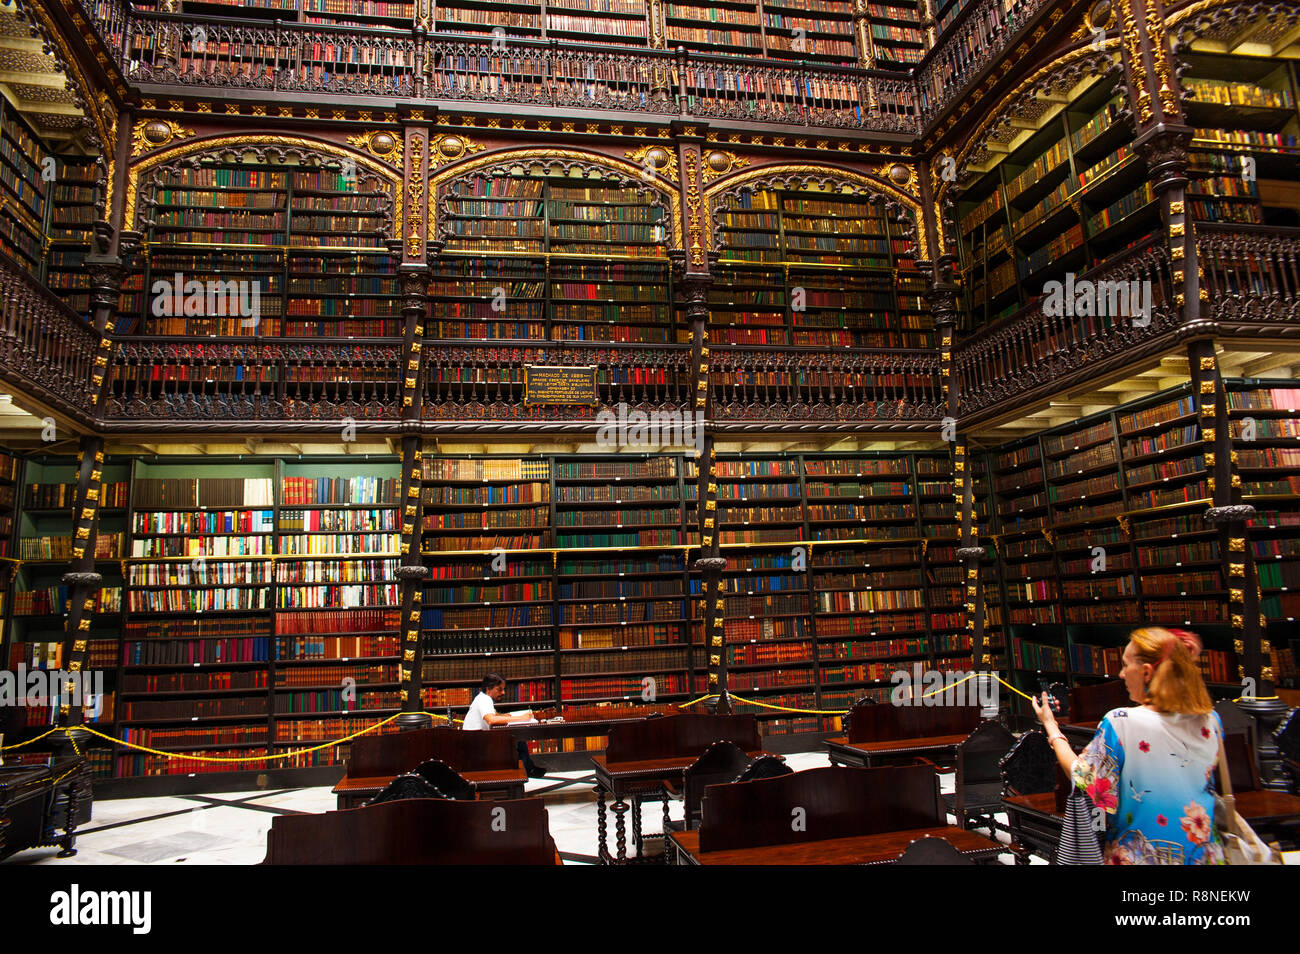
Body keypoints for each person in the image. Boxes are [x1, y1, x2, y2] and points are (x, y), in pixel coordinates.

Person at [1032, 626, 1226, 865]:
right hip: (1203, 856)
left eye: (1125, 665)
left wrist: (1051, 728)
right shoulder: (1211, 721)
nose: (1122, 674)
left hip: (1141, 856)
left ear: (1146, 672)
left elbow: (1081, 777)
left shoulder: (1121, 722)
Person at [463, 673, 548, 778]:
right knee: (516, 737)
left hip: (477, 739)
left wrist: (505, 716)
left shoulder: (482, 697)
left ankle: (527, 767)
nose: (503, 692)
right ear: (488, 689)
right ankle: (526, 769)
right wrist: (522, 718)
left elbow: (493, 715)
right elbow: (491, 720)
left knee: (517, 737)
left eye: (503, 689)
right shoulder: (485, 700)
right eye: (499, 689)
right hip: (477, 743)